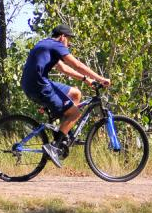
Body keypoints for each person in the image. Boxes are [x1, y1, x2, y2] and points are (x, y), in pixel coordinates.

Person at [20, 24, 110, 167]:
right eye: (68, 40)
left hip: (35, 83)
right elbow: (76, 65)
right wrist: (100, 79)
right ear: (62, 37)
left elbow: (63, 68)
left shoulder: (46, 43)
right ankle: (54, 147)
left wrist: (86, 80)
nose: (69, 43)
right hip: (39, 86)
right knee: (74, 114)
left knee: (75, 93)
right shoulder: (56, 45)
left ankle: (62, 135)